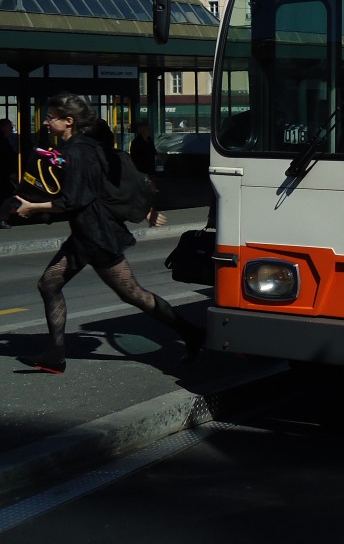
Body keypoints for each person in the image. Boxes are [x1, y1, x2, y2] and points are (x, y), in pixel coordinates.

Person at [11, 92, 203, 374]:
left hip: (96, 236)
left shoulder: (77, 152)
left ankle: (192, 333)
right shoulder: (85, 147)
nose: (46, 123)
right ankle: (55, 354)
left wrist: (32, 207)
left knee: (133, 294)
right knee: (49, 284)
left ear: (68, 121)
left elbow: (74, 200)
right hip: (88, 233)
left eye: (51, 118)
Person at [0, 117, 17, 229]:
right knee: (7, 194)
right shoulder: (2, 141)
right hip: (3, 173)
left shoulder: (5, 139)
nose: (12, 128)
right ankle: (2, 219)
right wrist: (10, 172)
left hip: (4, 172)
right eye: (10, 126)